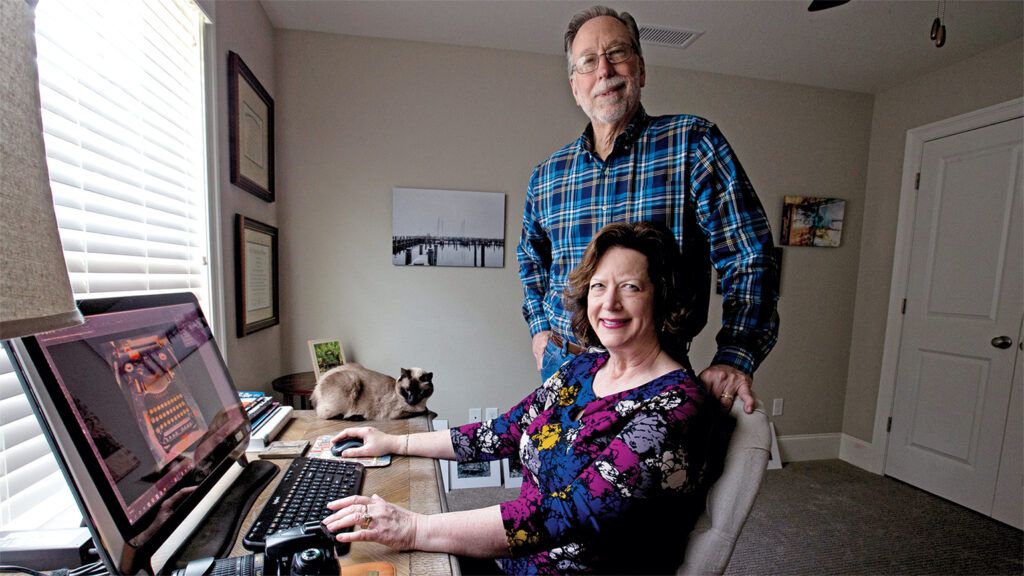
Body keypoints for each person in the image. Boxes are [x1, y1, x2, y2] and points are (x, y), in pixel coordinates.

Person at [323, 222, 715, 574]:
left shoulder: (674, 405)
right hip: (516, 558)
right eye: (599, 286)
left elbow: (566, 514)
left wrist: (414, 527)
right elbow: (501, 432)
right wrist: (394, 441)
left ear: (662, 296)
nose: (609, 303)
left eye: (630, 287)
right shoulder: (584, 369)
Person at [517, 5, 779, 414]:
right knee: (552, 472)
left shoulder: (692, 143)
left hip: (653, 372)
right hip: (562, 364)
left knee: (638, 479)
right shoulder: (548, 175)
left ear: (640, 69)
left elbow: (749, 255)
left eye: (617, 53)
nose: (604, 69)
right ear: (575, 86)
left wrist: (735, 354)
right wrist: (539, 329)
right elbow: (531, 261)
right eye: (588, 61)